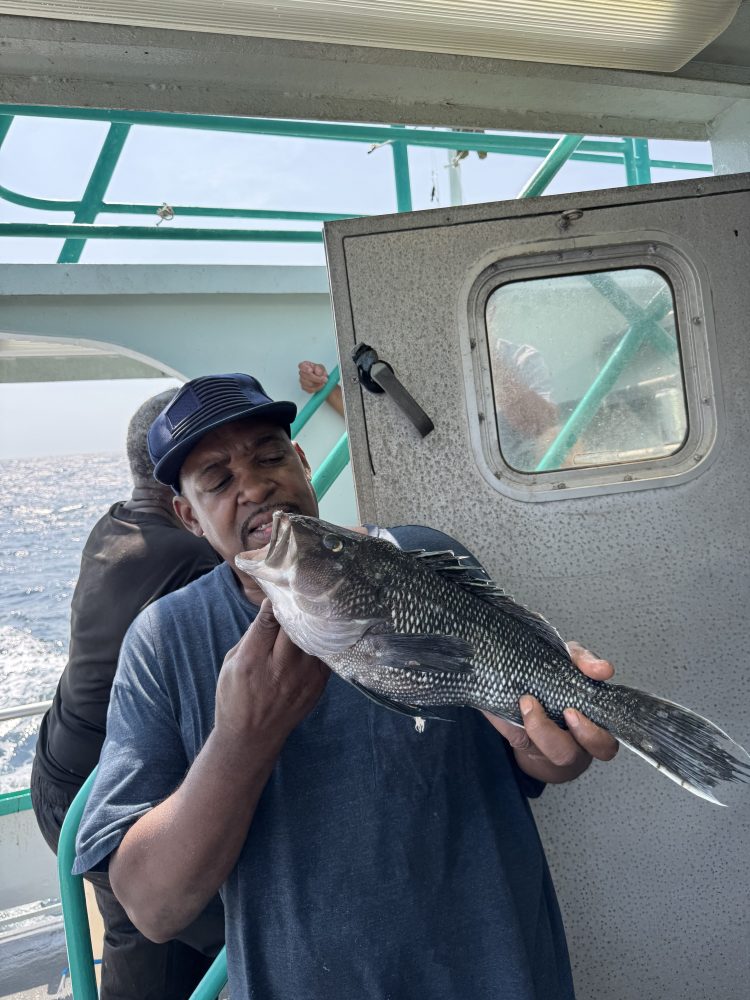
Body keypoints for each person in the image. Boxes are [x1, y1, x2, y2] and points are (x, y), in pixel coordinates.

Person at [74, 372, 618, 1000]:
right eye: (218, 481)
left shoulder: (424, 560)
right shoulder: (166, 640)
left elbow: (535, 758)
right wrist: (243, 741)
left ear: (302, 462)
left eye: (270, 455)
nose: (254, 485)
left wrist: (552, 747)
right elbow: (151, 908)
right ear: (188, 517)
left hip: (499, 972)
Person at [31, 389, 224, 1000]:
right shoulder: (194, 561)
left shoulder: (116, 522)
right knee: (176, 938)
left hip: (60, 769)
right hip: (106, 796)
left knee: (137, 940)